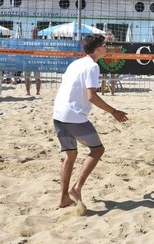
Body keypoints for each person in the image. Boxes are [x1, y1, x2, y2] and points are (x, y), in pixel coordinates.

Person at [52, 34, 129, 212]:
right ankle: (76, 188)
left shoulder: (76, 63)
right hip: (74, 116)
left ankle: (64, 197)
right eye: (105, 44)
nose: (107, 47)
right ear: (98, 48)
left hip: (58, 114)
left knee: (70, 155)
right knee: (97, 150)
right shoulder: (92, 67)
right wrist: (114, 112)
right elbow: (91, 96)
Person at [24, 25, 42, 96]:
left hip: (36, 62)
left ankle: (38, 92)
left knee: (37, 78)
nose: (34, 33)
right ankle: (28, 92)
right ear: (31, 32)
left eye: (36, 31)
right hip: (28, 61)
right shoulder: (27, 41)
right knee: (26, 78)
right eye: (33, 31)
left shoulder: (40, 42)